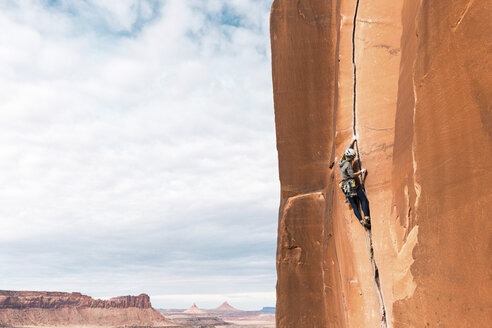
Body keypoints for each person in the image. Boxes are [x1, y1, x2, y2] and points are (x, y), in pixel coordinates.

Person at [338, 137, 371, 229]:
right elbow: (352, 175)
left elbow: (348, 149)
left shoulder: (341, 160)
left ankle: (361, 221)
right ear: (352, 158)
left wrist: (352, 141)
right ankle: (367, 218)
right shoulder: (348, 164)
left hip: (345, 186)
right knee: (363, 199)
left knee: (354, 205)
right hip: (351, 184)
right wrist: (361, 172)